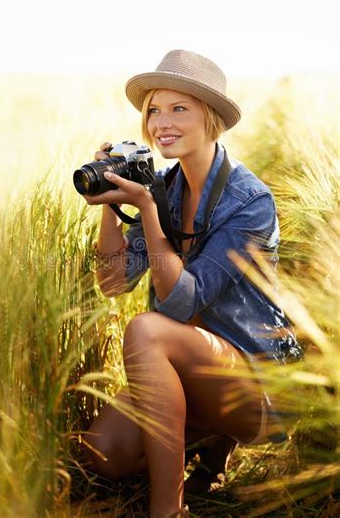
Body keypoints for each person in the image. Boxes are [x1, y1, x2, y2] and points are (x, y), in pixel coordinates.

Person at [80, 49, 303, 518]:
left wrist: (146, 210)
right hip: (188, 372)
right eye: (154, 110)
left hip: (254, 383)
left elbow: (183, 304)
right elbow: (113, 282)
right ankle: (202, 439)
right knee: (103, 453)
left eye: (179, 108)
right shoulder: (164, 187)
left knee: (146, 328)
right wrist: (107, 202)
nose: (162, 121)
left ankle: (169, 508)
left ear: (211, 118)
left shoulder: (250, 202)